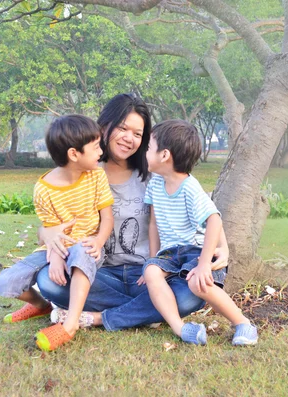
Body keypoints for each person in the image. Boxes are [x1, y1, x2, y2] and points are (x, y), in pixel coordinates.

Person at [33, 94, 229, 333]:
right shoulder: (84, 172)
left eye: (138, 134)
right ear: (104, 126)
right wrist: (46, 231)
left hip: (148, 275)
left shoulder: (156, 175)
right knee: (47, 282)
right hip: (99, 274)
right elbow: (48, 226)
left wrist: (224, 247)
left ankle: (97, 317)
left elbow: (205, 208)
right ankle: (148, 311)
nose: (129, 139)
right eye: (123, 128)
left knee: (190, 295)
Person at [0, 115, 114, 352]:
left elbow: (108, 218)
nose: (101, 152)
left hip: (87, 246)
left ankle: (70, 324)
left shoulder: (97, 176)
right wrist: (57, 257)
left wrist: (99, 241)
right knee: (5, 281)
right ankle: (41, 306)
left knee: (81, 251)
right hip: (56, 247)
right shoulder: (43, 189)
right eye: (95, 147)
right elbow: (51, 232)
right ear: (74, 154)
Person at [142, 120, 258, 346]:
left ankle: (243, 324)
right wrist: (153, 260)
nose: (144, 152)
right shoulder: (155, 184)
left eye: (148, 148)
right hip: (170, 254)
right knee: (151, 272)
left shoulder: (189, 187)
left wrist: (204, 264)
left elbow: (214, 220)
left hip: (194, 252)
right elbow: (153, 225)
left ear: (164, 155)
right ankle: (180, 328)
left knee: (198, 282)